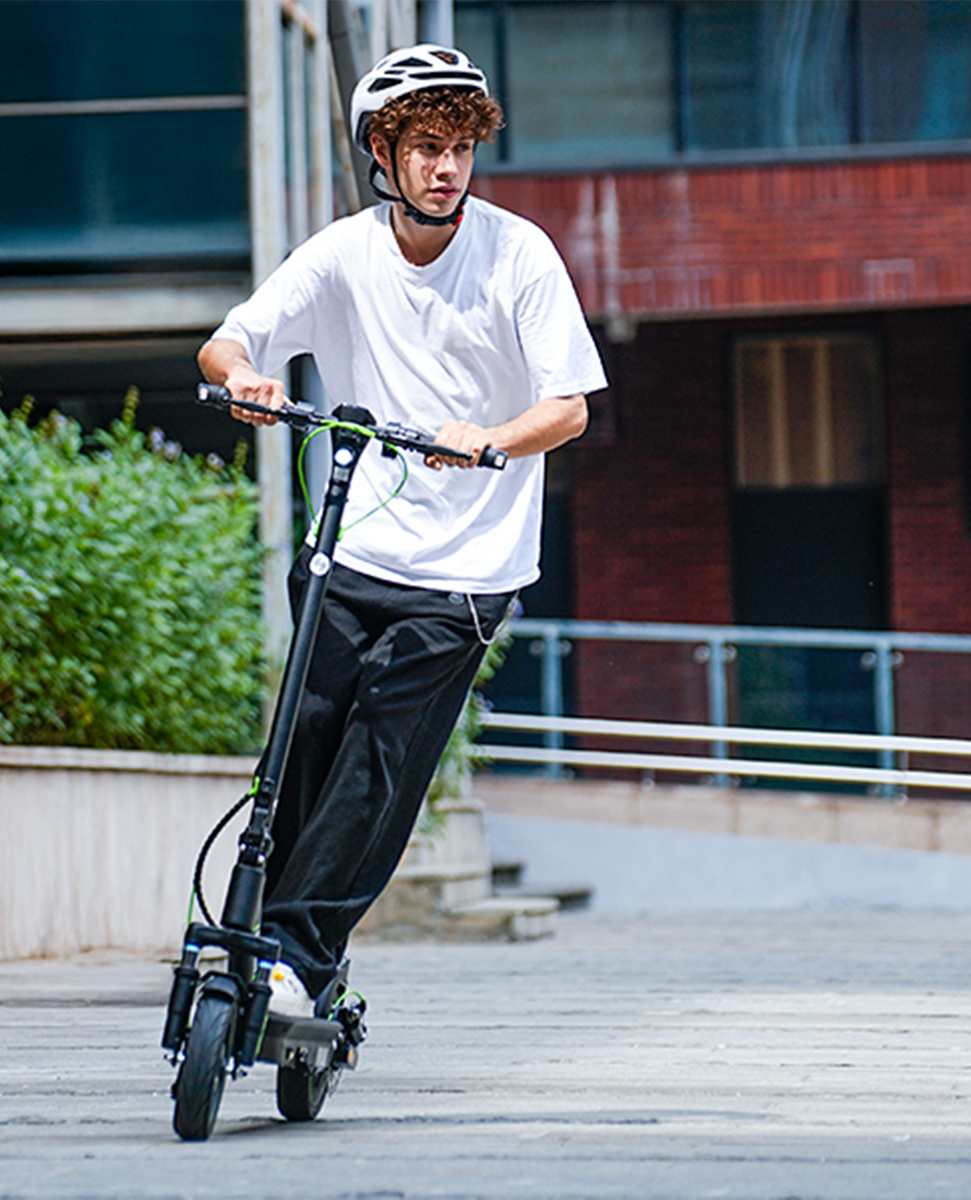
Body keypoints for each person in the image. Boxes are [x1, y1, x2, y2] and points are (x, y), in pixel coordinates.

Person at [198, 44, 607, 1017]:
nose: (447, 168)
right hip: (352, 550)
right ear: (382, 153)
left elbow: (570, 406)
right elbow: (229, 341)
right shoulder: (342, 254)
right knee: (304, 740)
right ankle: (270, 941)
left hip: (467, 571)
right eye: (426, 147)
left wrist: (492, 439)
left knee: (381, 753)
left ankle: (298, 954)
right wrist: (246, 378)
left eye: (460, 148)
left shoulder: (518, 254)